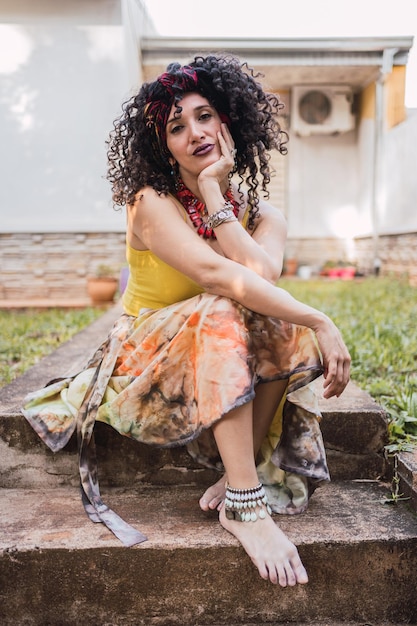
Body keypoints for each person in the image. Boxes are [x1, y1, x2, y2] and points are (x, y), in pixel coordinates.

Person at [22, 54, 351, 588]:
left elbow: (261, 276)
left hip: (216, 350)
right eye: (177, 127)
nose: (195, 133)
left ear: (228, 121)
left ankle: (235, 472)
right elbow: (219, 277)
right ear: (162, 144)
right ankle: (245, 504)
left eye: (205, 116)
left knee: (270, 311)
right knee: (230, 304)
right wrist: (322, 319)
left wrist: (216, 194)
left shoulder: (265, 215)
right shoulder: (149, 201)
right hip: (144, 360)